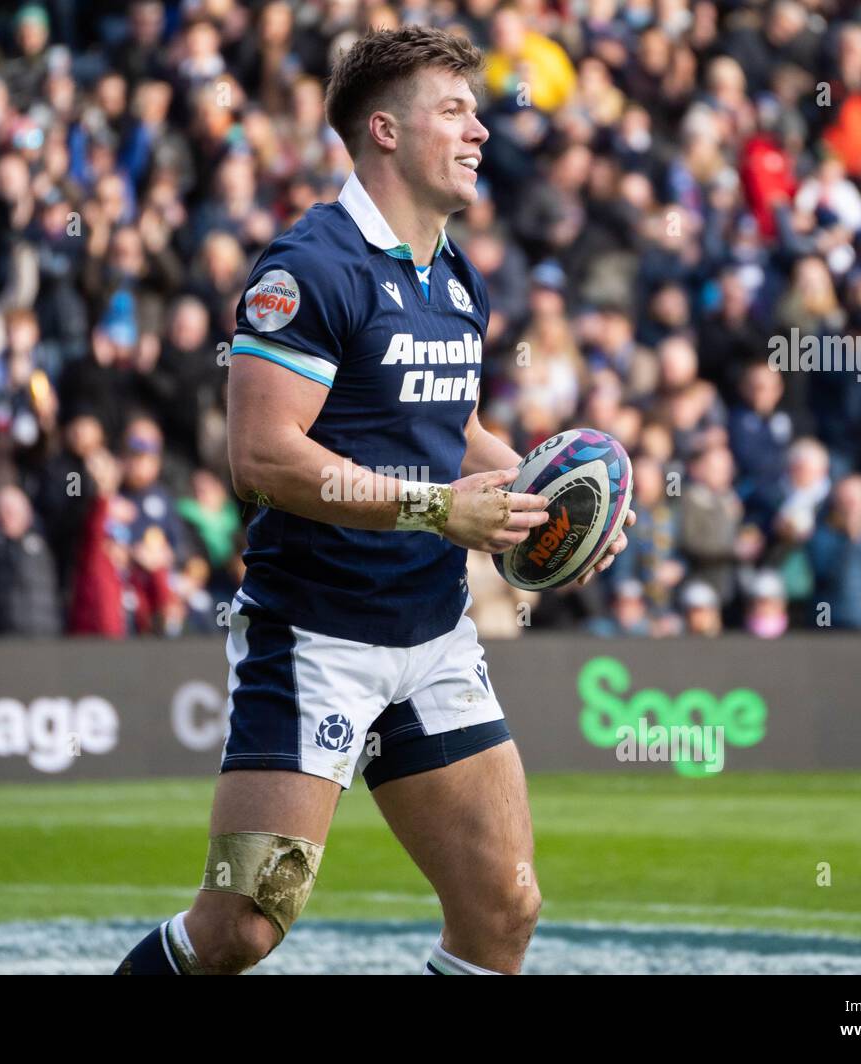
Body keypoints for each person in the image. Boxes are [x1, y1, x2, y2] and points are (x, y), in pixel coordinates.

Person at [116, 27, 632, 978]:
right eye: (456, 110)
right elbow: (263, 458)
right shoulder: (309, 268)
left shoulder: (456, 276)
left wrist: (547, 505)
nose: (482, 129)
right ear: (383, 130)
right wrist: (443, 512)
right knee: (242, 924)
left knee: (504, 908)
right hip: (316, 636)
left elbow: (451, 431)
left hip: (433, 636)